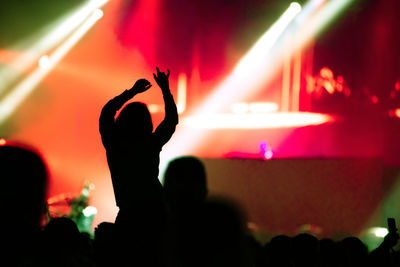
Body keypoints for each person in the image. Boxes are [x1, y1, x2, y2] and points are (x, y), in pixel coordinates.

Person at [99, 67, 178, 266]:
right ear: (147, 123)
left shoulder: (114, 144)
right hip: (156, 210)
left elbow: (107, 112)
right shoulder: (150, 143)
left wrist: (132, 92)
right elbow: (171, 121)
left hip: (129, 212)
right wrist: (165, 91)